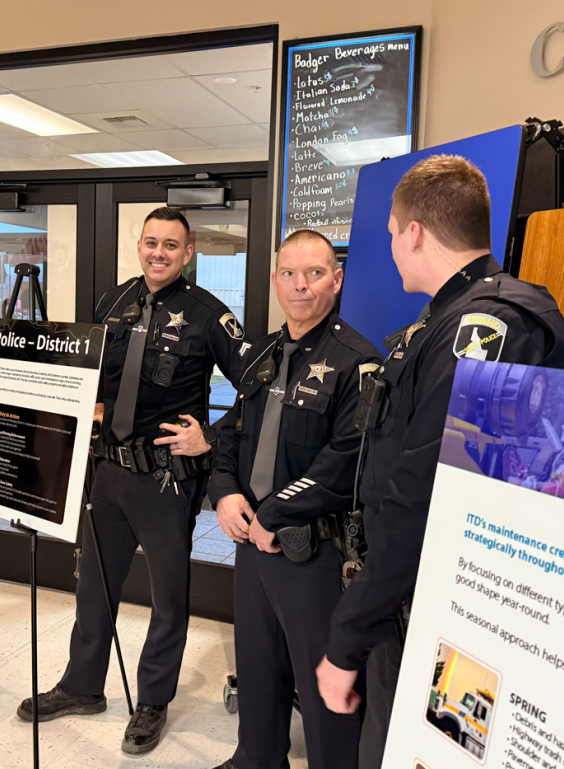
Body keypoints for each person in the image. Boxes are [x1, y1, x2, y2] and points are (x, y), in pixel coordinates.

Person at [316, 155, 564, 768]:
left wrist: (348, 636)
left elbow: (421, 490)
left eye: (389, 234)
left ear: (413, 232)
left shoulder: (484, 326)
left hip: (454, 610)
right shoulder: (453, 318)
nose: (391, 247)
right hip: (421, 599)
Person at [17, 207, 251, 755]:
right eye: (151, 242)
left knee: (169, 596)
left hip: (165, 481)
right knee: (93, 584)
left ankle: (152, 700)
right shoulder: (113, 302)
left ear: (188, 252)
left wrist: (211, 439)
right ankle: (82, 685)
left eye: (171, 245)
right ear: (139, 245)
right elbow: (95, 374)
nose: (159, 253)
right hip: (108, 473)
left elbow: (256, 391)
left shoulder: (210, 316)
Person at [208, 230, 381, 769]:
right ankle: (256, 758)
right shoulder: (260, 354)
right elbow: (231, 433)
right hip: (252, 543)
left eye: (313, 273)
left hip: (313, 555)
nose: (300, 285)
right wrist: (225, 492)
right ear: (274, 280)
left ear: (337, 279)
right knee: (257, 665)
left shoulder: (358, 362)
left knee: (321, 681)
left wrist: (272, 516)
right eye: (289, 273)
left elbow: (344, 463)